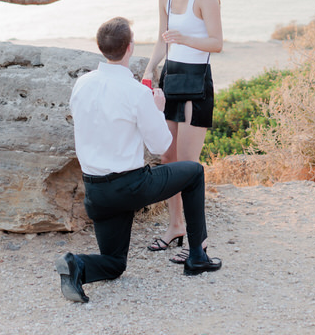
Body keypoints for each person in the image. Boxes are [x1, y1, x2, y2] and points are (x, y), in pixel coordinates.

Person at [56, 16, 221, 304]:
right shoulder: (137, 93)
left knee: (114, 263)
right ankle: (197, 257)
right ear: (130, 48)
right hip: (130, 188)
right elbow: (161, 147)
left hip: (95, 193)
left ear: (101, 48)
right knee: (193, 172)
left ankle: (77, 264)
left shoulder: (81, 85)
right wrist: (158, 108)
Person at [141, 0, 223, 264]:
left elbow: (216, 43)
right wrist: (149, 71)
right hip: (171, 77)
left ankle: (197, 242)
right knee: (168, 159)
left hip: (197, 80)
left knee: (188, 165)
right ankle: (175, 226)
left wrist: (184, 38)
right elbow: (162, 41)